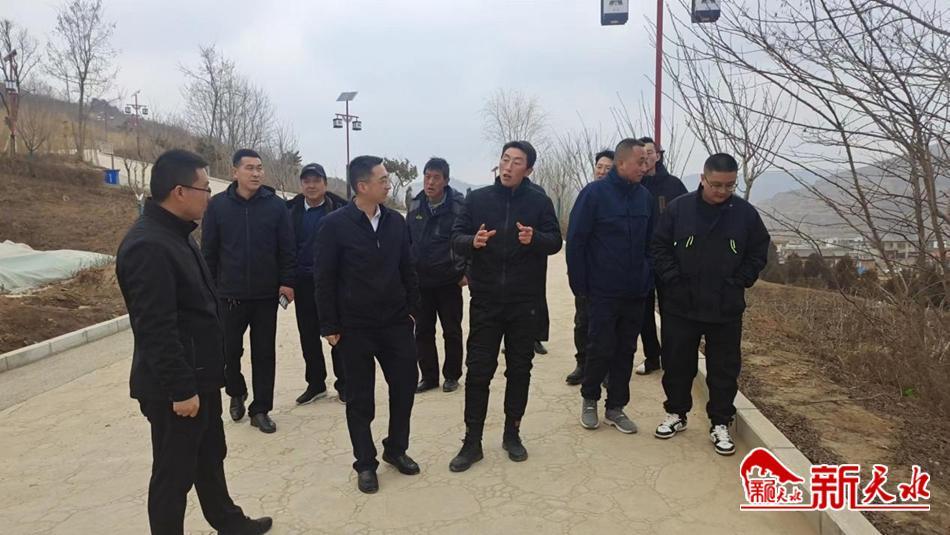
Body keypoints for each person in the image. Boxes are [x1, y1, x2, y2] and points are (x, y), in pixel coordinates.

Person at [116, 149, 272, 535]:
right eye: (204, 188)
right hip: (176, 388)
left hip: (201, 376)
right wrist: (181, 389)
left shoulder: (178, 235)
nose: (209, 196)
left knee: (209, 456)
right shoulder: (148, 246)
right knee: (174, 475)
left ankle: (229, 522)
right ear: (180, 191)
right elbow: (156, 328)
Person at [448, 141, 562, 472]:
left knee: (519, 370)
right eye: (505, 159)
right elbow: (456, 236)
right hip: (485, 301)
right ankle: (472, 442)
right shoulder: (478, 199)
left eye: (517, 162)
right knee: (478, 371)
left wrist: (534, 238)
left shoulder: (539, 202)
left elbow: (555, 241)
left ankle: (512, 434)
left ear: (529, 169)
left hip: (524, 303)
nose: (508, 167)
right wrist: (473, 241)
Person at [651, 153, 770, 456]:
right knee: (677, 363)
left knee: (724, 369)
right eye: (716, 184)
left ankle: (720, 422)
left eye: (729, 185)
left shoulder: (745, 214)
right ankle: (676, 413)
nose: (722, 191)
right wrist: (673, 280)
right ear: (703, 179)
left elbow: (758, 251)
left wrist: (740, 280)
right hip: (681, 305)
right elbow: (659, 247)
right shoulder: (679, 209)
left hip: (725, 306)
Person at [315, 155, 421, 494]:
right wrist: (329, 325)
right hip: (355, 327)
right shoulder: (334, 225)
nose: (388, 184)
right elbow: (324, 278)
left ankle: (396, 448)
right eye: (383, 180)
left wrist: (412, 310)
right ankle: (365, 462)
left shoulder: (395, 222)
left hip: (395, 323)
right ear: (362, 186)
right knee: (361, 399)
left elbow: (407, 268)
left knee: (404, 386)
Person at [201, 149, 296, 434]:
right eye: (249, 168)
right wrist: (209, 288)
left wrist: (287, 282)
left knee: (264, 353)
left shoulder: (276, 206)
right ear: (235, 172)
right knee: (227, 351)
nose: (256, 173)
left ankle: (261, 409)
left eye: (259, 168)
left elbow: (287, 248)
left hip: (266, 295)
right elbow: (209, 251)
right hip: (228, 294)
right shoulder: (218, 206)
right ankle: (236, 390)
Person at [567, 139, 654, 434]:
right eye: (640, 162)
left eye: (647, 161)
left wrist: (647, 275)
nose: (645, 167)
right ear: (621, 162)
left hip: (635, 290)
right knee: (600, 347)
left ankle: (616, 406)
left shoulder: (644, 197)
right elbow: (576, 242)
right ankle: (590, 399)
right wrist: (580, 285)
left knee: (626, 350)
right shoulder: (594, 194)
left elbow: (651, 243)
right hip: (602, 290)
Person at [286, 163, 348, 404]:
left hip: (333, 283)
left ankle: (344, 383)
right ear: (301, 184)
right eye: (306, 181)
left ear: (325, 184)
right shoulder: (291, 211)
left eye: (316, 181)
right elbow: (285, 248)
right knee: (308, 335)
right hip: (303, 281)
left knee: (336, 332)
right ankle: (315, 384)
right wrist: (287, 280)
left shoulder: (340, 209)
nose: (311, 186)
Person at [408, 157, 467, 394]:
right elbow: (408, 241)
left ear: (446, 181)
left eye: (436, 178)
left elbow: (468, 241)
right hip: (421, 280)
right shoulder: (415, 205)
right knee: (422, 331)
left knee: (451, 330)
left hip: (449, 279)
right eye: (427, 177)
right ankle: (429, 376)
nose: (430, 182)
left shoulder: (458, 207)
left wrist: (466, 272)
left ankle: (452, 375)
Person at [636, 137, 689, 375]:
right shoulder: (634, 185)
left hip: (668, 259)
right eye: (642, 153)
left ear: (658, 155)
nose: (646, 157)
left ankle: (671, 359)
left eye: (650, 152)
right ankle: (652, 357)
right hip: (641, 260)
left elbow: (688, 220)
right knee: (643, 313)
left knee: (671, 312)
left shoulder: (674, 185)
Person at [566, 148, 614, 386]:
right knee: (583, 321)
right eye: (599, 167)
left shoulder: (617, 198)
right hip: (587, 273)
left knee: (606, 325)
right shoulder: (587, 195)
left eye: (608, 168)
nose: (602, 172)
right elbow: (575, 238)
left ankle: (605, 368)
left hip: (610, 275)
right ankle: (582, 363)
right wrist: (577, 273)